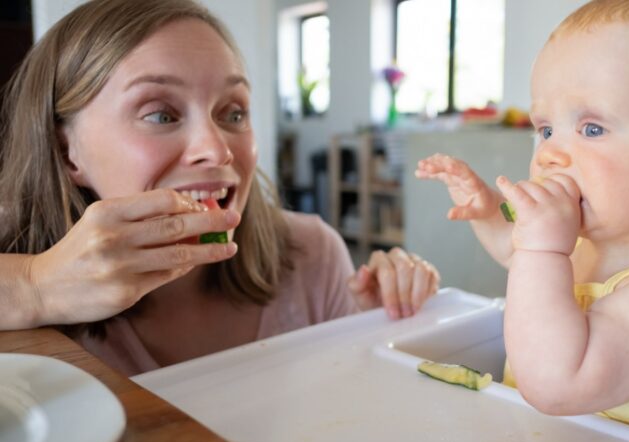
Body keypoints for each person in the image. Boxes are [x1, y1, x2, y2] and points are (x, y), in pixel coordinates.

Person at [0, 0, 439, 376]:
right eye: (161, 115)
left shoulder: (312, 256)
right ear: (67, 151)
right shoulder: (19, 267)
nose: (217, 149)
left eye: (232, 113)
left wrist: (377, 328)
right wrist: (36, 288)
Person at [416, 0, 629, 442]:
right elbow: (515, 254)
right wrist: (488, 212)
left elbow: (556, 383)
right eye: (545, 129)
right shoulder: (579, 249)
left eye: (592, 128)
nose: (549, 155)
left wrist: (543, 248)